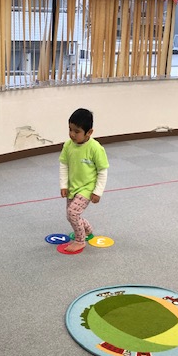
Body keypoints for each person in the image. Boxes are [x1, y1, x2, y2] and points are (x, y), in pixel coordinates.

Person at [59, 108, 109, 253]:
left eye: (77, 131)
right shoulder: (68, 145)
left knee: (73, 213)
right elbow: (63, 165)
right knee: (70, 215)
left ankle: (80, 241)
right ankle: (87, 229)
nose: (72, 134)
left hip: (87, 188)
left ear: (89, 132)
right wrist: (63, 185)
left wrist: (98, 192)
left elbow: (102, 171)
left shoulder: (95, 148)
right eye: (70, 129)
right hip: (72, 187)